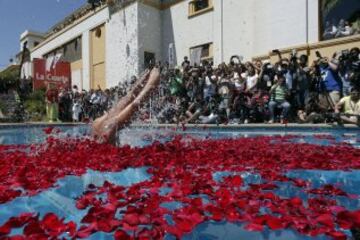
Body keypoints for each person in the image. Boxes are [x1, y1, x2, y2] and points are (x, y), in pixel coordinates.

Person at [92, 67, 161, 144]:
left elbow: (130, 102)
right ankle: (149, 80)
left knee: (124, 102)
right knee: (127, 103)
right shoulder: (109, 127)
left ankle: (147, 79)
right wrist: (152, 83)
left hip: (105, 130)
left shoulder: (96, 123)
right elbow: (133, 104)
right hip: (109, 130)